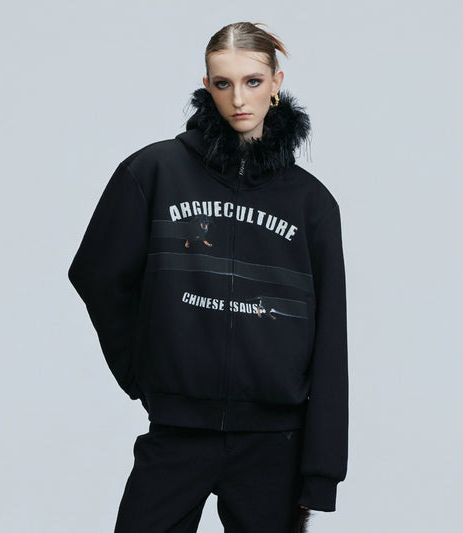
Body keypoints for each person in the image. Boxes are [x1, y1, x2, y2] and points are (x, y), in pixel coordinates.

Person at [68, 21, 348, 533]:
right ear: (206, 86)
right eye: (224, 83)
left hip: (273, 443)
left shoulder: (311, 204)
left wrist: (321, 470)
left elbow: (331, 338)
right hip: (178, 432)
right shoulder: (154, 172)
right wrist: (143, 372)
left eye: (253, 81)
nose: (238, 98)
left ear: (276, 83)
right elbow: (96, 275)